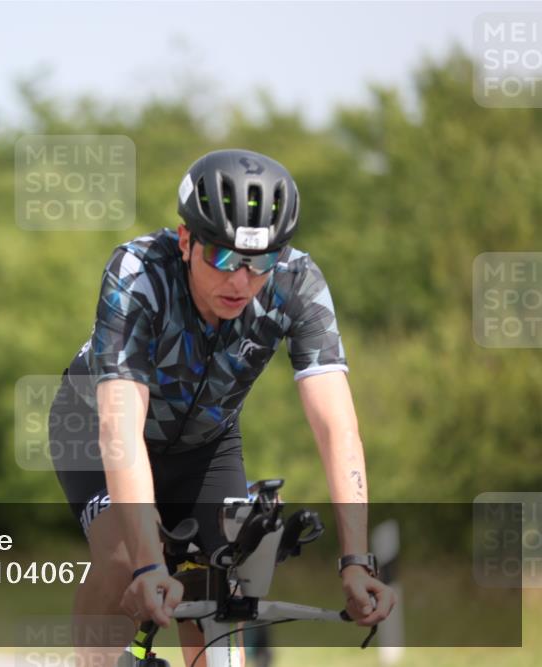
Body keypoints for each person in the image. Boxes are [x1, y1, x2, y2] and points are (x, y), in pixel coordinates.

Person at [47, 149, 395, 666]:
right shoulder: (139, 272)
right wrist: (148, 567)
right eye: (225, 258)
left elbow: (337, 428)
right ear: (187, 240)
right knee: (124, 557)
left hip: (205, 443)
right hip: (97, 428)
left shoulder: (298, 282)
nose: (241, 281)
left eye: (259, 261)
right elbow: (120, 429)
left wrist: (357, 560)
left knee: (224, 571)